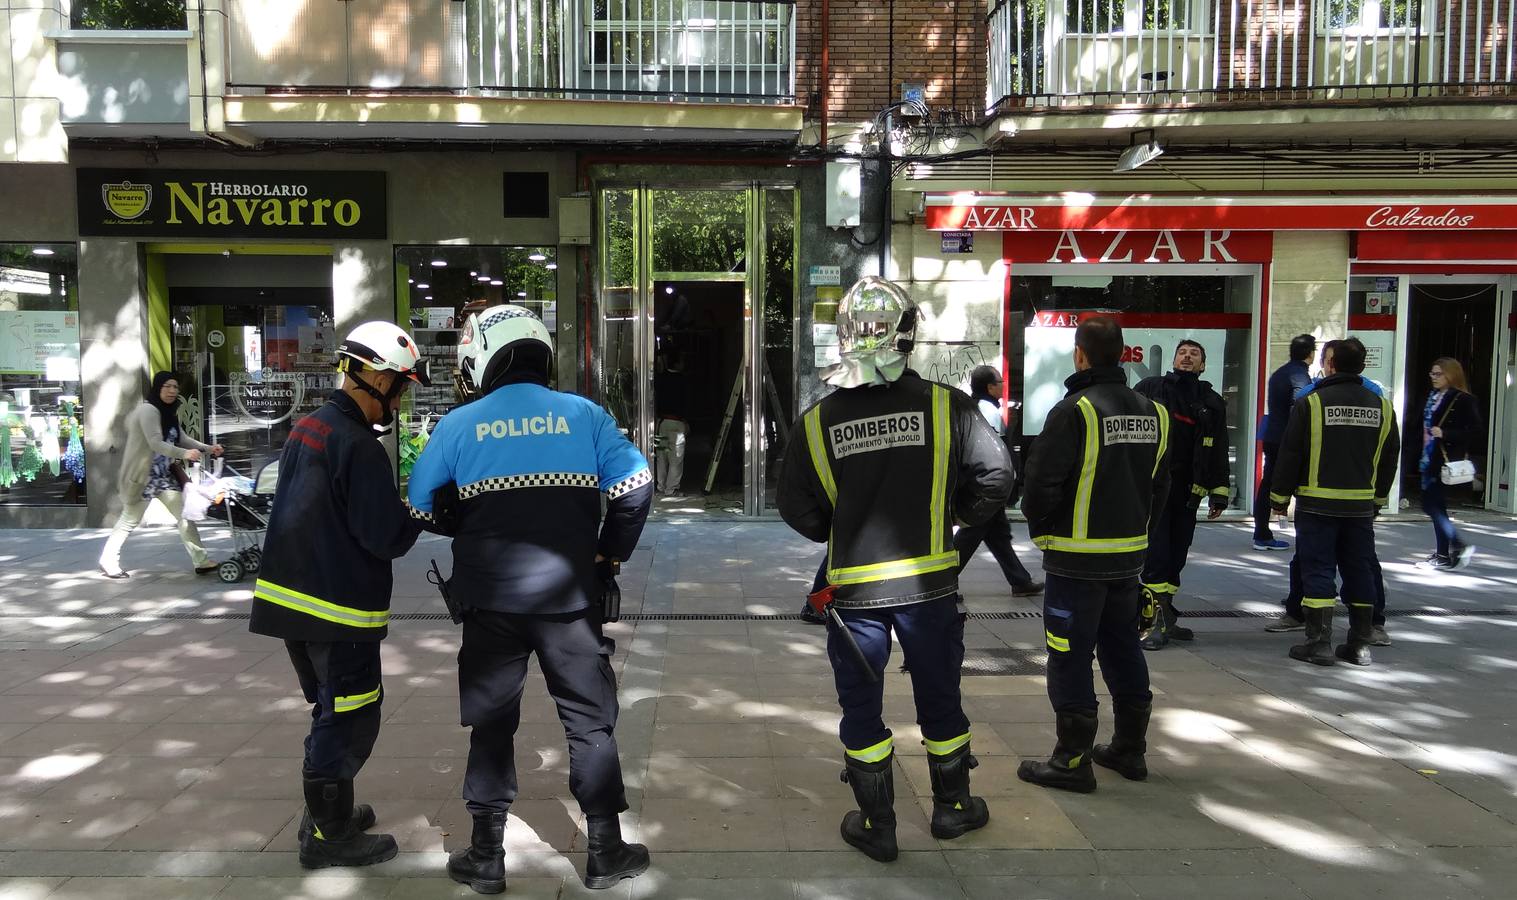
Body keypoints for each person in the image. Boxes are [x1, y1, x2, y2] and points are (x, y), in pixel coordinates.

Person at [408, 304, 654, 894]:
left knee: (492, 726)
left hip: (489, 607)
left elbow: (419, 505)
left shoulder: (458, 425)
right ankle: (604, 852)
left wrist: (466, 521)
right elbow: (637, 486)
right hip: (570, 602)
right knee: (590, 724)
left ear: (485, 358)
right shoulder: (586, 415)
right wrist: (607, 553)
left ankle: (485, 856)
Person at [776, 276, 1013, 862]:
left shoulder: (816, 421)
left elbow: (795, 506)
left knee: (861, 706)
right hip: (929, 588)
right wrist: (954, 515)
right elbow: (998, 477)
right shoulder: (947, 406)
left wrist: (839, 530)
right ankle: (953, 809)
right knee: (940, 696)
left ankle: (878, 825)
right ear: (908, 337)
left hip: (853, 592)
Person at [249, 322, 430, 869]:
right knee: (350, 716)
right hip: (337, 612)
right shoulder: (359, 446)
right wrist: (422, 510)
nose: (399, 400)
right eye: (399, 387)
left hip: (291, 605)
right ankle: (329, 838)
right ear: (373, 377)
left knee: (330, 709)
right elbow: (386, 537)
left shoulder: (310, 427)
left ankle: (329, 814)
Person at [1017, 316, 1170, 794]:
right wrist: (1139, 534)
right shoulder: (1154, 412)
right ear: (1123, 354)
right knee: (1123, 646)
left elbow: (1040, 486)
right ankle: (1130, 749)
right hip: (1128, 557)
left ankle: (1071, 760)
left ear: (1080, 355)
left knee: (1069, 655)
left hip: (1076, 560)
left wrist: (1043, 531)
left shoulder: (1074, 411)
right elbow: (1160, 486)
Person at [1269, 337, 1398, 667]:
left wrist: (1279, 499)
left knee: (1318, 570)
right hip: (1359, 507)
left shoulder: (1311, 404)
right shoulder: (1382, 406)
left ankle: (1318, 643)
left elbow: (1290, 454)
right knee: (1359, 570)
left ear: (1330, 365)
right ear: (1362, 366)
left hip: (1317, 504)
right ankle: (1359, 644)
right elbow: (1388, 459)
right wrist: (1378, 500)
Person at [1132, 340, 1229, 651]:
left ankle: (1166, 615)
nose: (1187, 357)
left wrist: (1219, 494)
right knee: (1156, 555)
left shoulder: (1211, 400)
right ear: (1173, 360)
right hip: (1155, 488)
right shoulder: (1151, 387)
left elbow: (1218, 448)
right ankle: (1150, 623)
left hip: (1189, 492)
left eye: (1195, 354)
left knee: (1177, 554)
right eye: (1182, 353)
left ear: (1202, 365)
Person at [98, 371, 224, 579]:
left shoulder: (168, 411)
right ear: (158, 387)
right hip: (143, 477)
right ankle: (108, 560)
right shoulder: (149, 410)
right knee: (129, 520)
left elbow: (181, 438)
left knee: (184, 515)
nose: (173, 390)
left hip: (163, 476)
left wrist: (208, 448)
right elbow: (155, 443)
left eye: (175, 386)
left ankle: (201, 561)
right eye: (167, 386)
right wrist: (184, 454)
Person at [953, 365, 1043, 598]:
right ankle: (943, 582)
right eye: (1000, 382)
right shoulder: (988, 410)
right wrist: (1009, 478)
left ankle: (1020, 580)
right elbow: (996, 450)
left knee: (998, 535)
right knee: (971, 533)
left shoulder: (973, 407)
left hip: (982, 483)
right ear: (990, 387)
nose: (1004, 386)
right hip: (986, 485)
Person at [1418, 357, 1481, 570]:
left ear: (1451, 375)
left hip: (1443, 460)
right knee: (1434, 506)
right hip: (1427, 458)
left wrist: (1445, 433)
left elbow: (1475, 431)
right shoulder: (1433, 396)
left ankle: (1454, 545)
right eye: (1432, 374)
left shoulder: (1463, 399)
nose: (1433, 378)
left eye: (1438, 374)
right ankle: (1444, 553)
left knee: (1432, 505)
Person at [1254, 335, 1315, 551]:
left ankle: (1261, 532)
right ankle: (1305, 538)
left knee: (1268, 483)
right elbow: (1301, 404)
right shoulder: (1299, 375)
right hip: (1287, 439)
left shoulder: (1280, 373)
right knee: (1300, 485)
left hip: (1272, 434)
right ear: (1311, 353)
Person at [654, 350, 690, 497]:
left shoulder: (660, 379)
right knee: (676, 457)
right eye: (682, 361)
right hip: (677, 423)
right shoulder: (683, 381)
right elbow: (687, 403)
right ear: (677, 363)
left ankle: (660, 486)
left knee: (661, 455)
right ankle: (672, 489)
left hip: (661, 422)